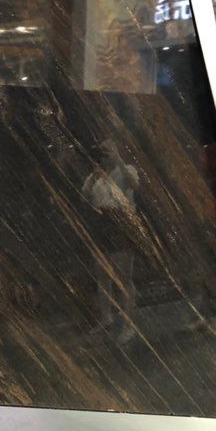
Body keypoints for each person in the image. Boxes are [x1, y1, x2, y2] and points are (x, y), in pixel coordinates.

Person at [82, 139, 139, 344]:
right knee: (102, 275)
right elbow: (85, 197)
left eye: (108, 151)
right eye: (102, 151)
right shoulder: (96, 175)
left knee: (124, 278)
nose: (104, 155)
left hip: (121, 223)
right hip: (101, 223)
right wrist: (95, 175)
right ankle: (106, 317)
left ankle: (129, 325)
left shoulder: (127, 169)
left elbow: (134, 184)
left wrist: (119, 160)